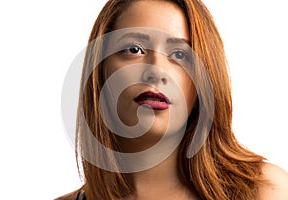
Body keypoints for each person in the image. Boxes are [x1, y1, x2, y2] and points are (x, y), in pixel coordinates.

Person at [57, 0, 288, 199]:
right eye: (134, 49)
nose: (157, 71)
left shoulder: (266, 191)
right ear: (100, 72)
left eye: (179, 54)